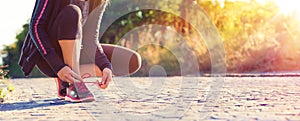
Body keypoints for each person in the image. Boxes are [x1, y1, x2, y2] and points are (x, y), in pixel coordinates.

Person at [18, 0, 141, 102]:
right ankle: (74, 86)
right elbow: (36, 26)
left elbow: (90, 39)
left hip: (76, 48)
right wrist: (58, 66)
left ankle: (67, 79)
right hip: (48, 56)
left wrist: (105, 66)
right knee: (72, 12)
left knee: (131, 61)